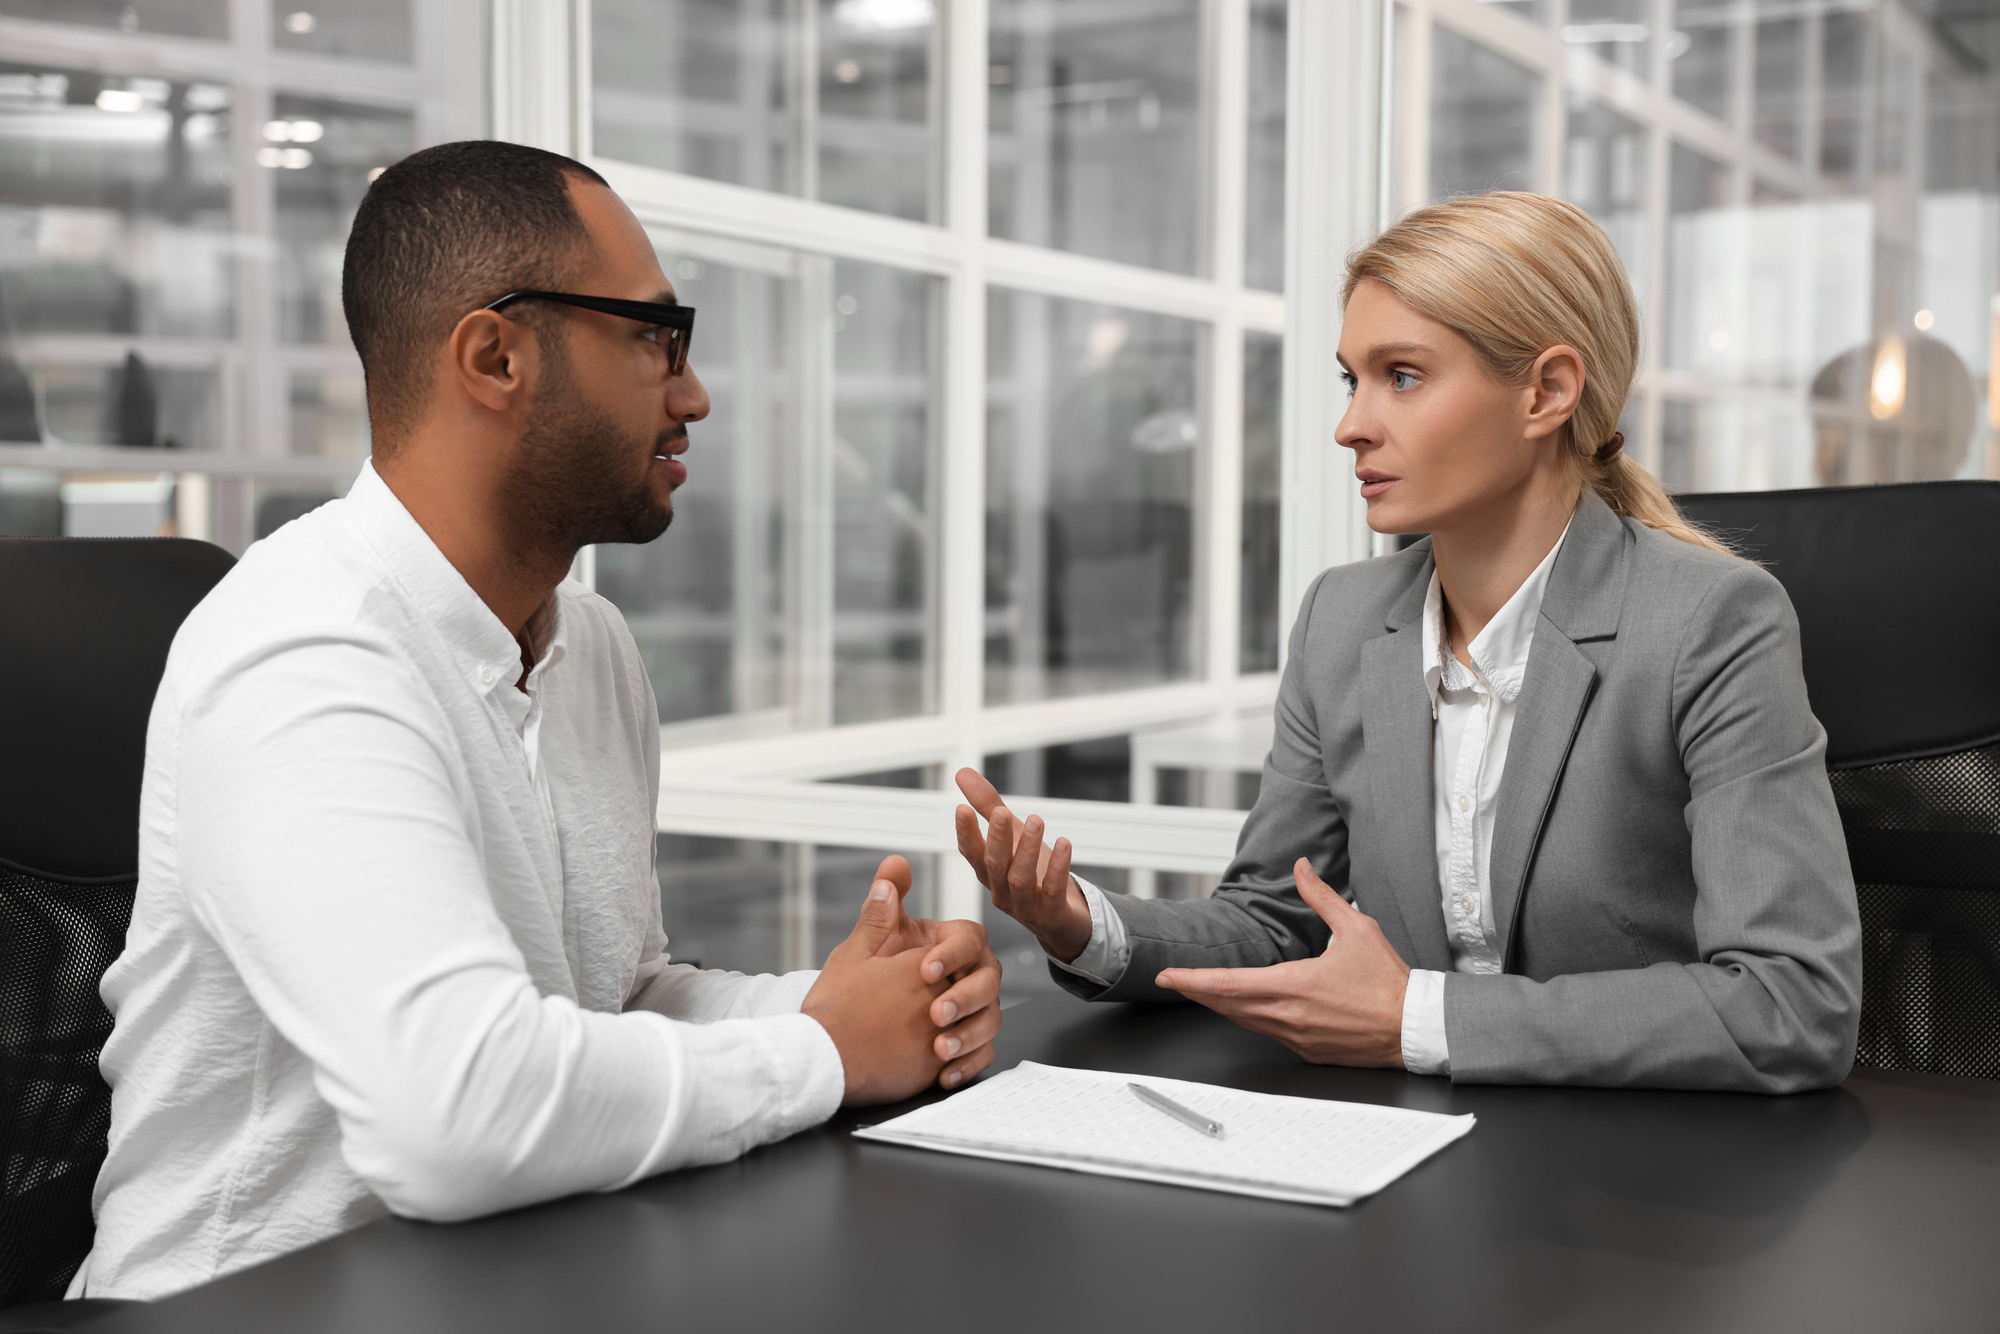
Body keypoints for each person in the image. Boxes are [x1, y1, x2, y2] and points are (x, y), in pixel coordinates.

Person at [72, 140, 1000, 1301]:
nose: (692, 390)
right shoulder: (304, 648)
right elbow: (454, 1112)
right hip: (250, 1301)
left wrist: (857, 1001)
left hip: (511, 1275)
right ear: (495, 355)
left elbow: (614, 994)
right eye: (653, 335)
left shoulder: (590, 645)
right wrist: (823, 1051)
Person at [955, 191, 1860, 1093]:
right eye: (1354, 379)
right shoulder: (1341, 620)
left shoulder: (1712, 621)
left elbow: (1793, 1001)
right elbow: (1276, 918)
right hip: (1405, 1145)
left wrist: (1413, 1020)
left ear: (1546, 391)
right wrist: (1081, 922)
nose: (1352, 424)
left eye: (1404, 375)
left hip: (1646, 1182)